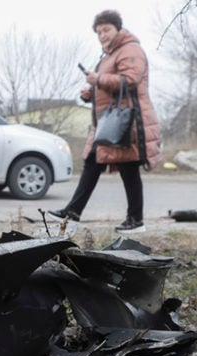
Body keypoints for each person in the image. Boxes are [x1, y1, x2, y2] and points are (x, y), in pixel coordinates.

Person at [48, 10, 161, 234]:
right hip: (108, 122)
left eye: (106, 30)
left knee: (128, 169)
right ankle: (73, 212)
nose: (102, 35)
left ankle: (135, 220)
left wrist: (97, 79)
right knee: (92, 162)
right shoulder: (108, 55)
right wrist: (90, 92)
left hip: (127, 122)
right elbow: (108, 86)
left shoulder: (130, 50)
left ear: (118, 29)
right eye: (99, 32)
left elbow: (130, 80)